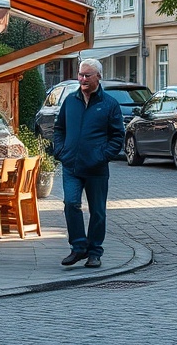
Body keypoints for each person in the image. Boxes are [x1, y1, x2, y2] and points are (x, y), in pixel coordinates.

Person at [52, 58, 125, 269]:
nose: (82, 79)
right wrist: (61, 151)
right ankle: (78, 247)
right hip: (71, 166)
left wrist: (102, 156)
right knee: (70, 204)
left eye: (87, 75)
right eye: (80, 75)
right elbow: (59, 129)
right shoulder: (70, 101)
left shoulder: (109, 104)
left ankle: (94, 252)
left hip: (96, 168)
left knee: (98, 211)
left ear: (98, 77)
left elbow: (117, 136)